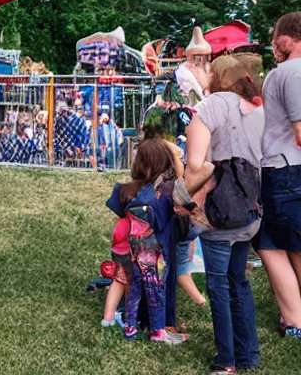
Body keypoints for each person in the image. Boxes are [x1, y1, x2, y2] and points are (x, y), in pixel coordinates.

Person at [184, 54, 263, 374]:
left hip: (219, 211)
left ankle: (226, 360)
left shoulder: (209, 107)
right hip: (250, 211)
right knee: (238, 281)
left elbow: (196, 165)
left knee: (219, 285)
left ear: (216, 76)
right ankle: (249, 355)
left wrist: (181, 195)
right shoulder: (259, 109)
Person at [105, 138, 185, 345]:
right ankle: (158, 330)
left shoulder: (127, 191)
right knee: (155, 290)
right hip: (154, 253)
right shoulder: (166, 191)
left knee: (134, 289)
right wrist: (172, 152)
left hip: (130, 251)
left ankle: (130, 325)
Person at [256, 12, 301, 340]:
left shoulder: (289, 72)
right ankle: (293, 318)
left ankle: (296, 319)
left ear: (287, 38)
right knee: (276, 243)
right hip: (285, 168)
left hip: (285, 169)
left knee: (280, 243)